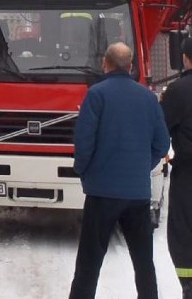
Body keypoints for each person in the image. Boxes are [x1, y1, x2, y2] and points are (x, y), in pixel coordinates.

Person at [68, 42, 170, 299]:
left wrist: (84, 171)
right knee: (143, 262)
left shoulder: (96, 95)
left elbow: (84, 141)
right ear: (131, 66)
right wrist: (140, 168)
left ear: (106, 63)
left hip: (101, 193)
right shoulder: (147, 97)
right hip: (137, 194)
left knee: (89, 263)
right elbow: (162, 143)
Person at [160, 35, 192, 298]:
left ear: (185, 58)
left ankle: (189, 286)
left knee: (183, 233)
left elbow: (160, 130)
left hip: (188, 175)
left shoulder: (178, 91)